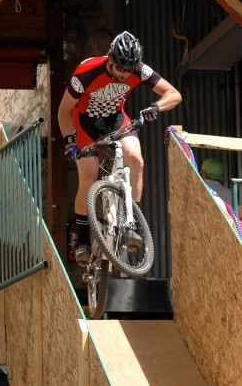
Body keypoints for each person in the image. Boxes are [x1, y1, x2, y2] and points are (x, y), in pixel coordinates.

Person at [58, 30, 182, 264]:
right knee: (89, 174)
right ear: (110, 59)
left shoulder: (138, 69)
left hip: (116, 118)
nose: (125, 74)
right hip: (85, 122)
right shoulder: (86, 73)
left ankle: (130, 224)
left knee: (136, 159)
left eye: (129, 69)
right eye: (120, 68)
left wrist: (156, 107)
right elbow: (64, 111)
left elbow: (173, 94)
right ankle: (84, 241)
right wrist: (69, 143)